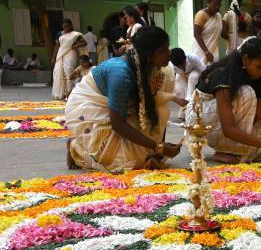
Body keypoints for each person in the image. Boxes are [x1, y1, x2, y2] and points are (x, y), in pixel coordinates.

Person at [65, 26, 181, 172]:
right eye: (162, 51)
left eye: (167, 48)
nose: (168, 54)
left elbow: (152, 108)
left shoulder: (154, 68)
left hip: (120, 108)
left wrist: (158, 149)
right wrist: (158, 147)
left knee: (161, 109)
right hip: (90, 107)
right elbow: (118, 124)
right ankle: (76, 147)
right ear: (148, 55)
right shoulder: (121, 73)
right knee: (127, 163)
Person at [186, 37, 261, 164]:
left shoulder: (256, 75)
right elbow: (228, 129)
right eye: (259, 67)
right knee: (247, 93)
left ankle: (238, 151)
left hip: (222, 123)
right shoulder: (225, 73)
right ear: (245, 59)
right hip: (200, 117)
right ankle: (228, 151)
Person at [52, 19, 87, 100]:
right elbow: (57, 46)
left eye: (67, 26)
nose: (65, 28)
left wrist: (76, 46)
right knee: (58, 72)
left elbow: (84, 42)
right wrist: (53, 57)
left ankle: (69, 94)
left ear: (70, 26)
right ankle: (61, 94)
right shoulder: (60, 34)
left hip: (70, 53)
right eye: (64, 26)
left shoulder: (75, 34)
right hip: (60, 55)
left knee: (68, 72)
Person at [170, 47, 206, 119]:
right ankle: (185, 109)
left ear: (185, 58)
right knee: (178, 89)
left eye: (183, 64)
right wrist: (175, 98)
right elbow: (171, 82)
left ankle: (191, 110)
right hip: (181, 75)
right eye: (179, 66)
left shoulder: (192, 58)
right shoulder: (170, 65)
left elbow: (204, 71)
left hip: (195, 73)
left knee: (193, 78)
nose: (182, 67)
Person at [193, 0, 224, 65]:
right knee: (197, 74)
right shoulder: (201, 14)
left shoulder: (218, 16)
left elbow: (219, 33)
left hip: (214, 52)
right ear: (208, 3)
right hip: (201, 51)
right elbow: (197, 35)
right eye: (215, 4)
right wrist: (206, 52)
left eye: (219, 5)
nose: (217, 7)